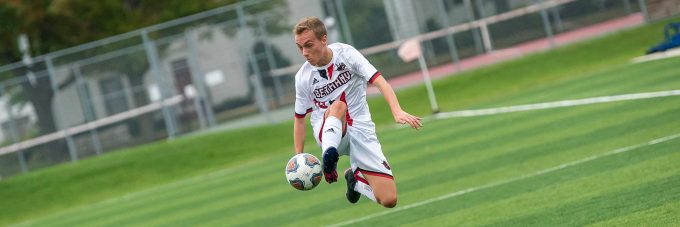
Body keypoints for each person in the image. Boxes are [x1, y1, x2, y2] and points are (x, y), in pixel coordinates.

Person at [292, 16, 422, 208]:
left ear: (323, 39)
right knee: (338, 106)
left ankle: (354, 180)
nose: (304, 52)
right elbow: (300, 119)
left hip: (361, 129)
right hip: (328, 131)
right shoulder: (303, 77)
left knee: (388, 199)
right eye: (300, 47)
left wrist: (397, 110)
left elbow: (379, 80)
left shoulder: (347, 54)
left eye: (309, 45)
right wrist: (299, 158)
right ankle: (330, 156)